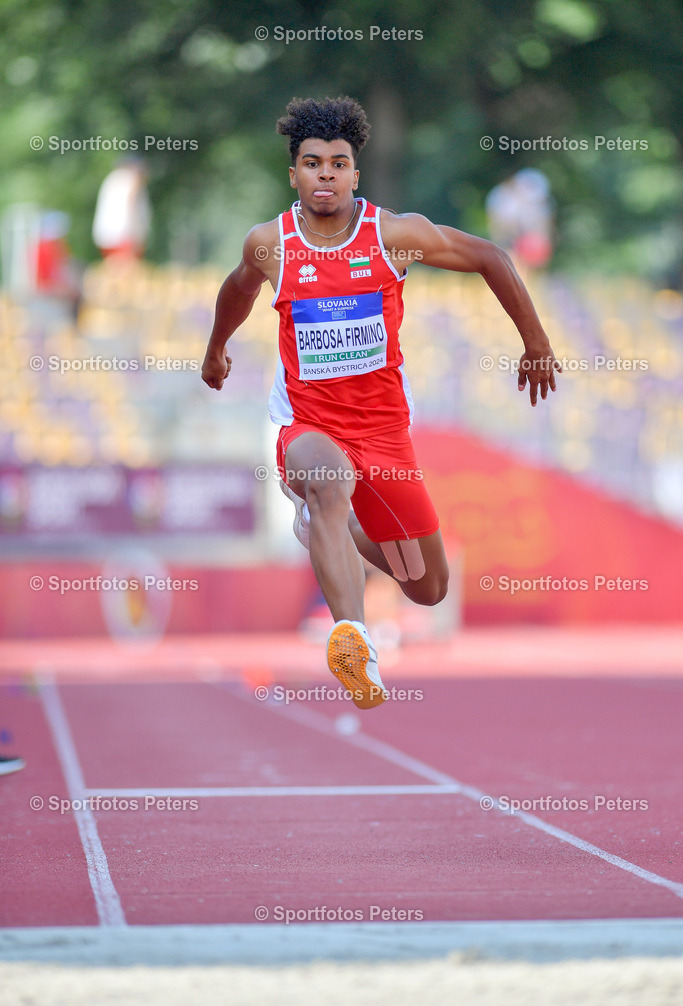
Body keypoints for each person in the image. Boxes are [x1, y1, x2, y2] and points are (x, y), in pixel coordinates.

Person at [202, 96, 561, 710]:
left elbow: (489, 257)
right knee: (326, 482)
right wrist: (216, 350)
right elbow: (236, 290)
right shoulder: (272, 245)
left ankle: (323, 529)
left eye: (338, 164)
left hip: (386, 428)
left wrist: (535, 343)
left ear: (354, 174)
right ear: (294, 174)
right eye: (312, 164)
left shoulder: (394, 236)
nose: (325, 175)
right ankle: (354, 640)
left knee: (428, 588)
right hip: (307, 421)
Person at [92, 157, 151, 259]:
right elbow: (131, 203)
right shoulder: (132, 178)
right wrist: (138, 233)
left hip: (105, 237)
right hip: (125, 236)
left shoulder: (112, 178)